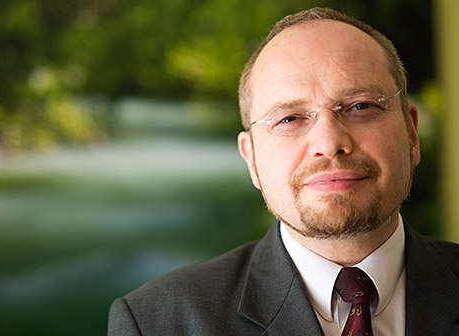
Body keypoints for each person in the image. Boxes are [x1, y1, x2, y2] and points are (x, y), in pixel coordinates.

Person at [107, 7, 459, 336]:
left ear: (411, 134)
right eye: (290, 118)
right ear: (252, 159)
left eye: (361, 106)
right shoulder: (154, 323)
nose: (330, 142)